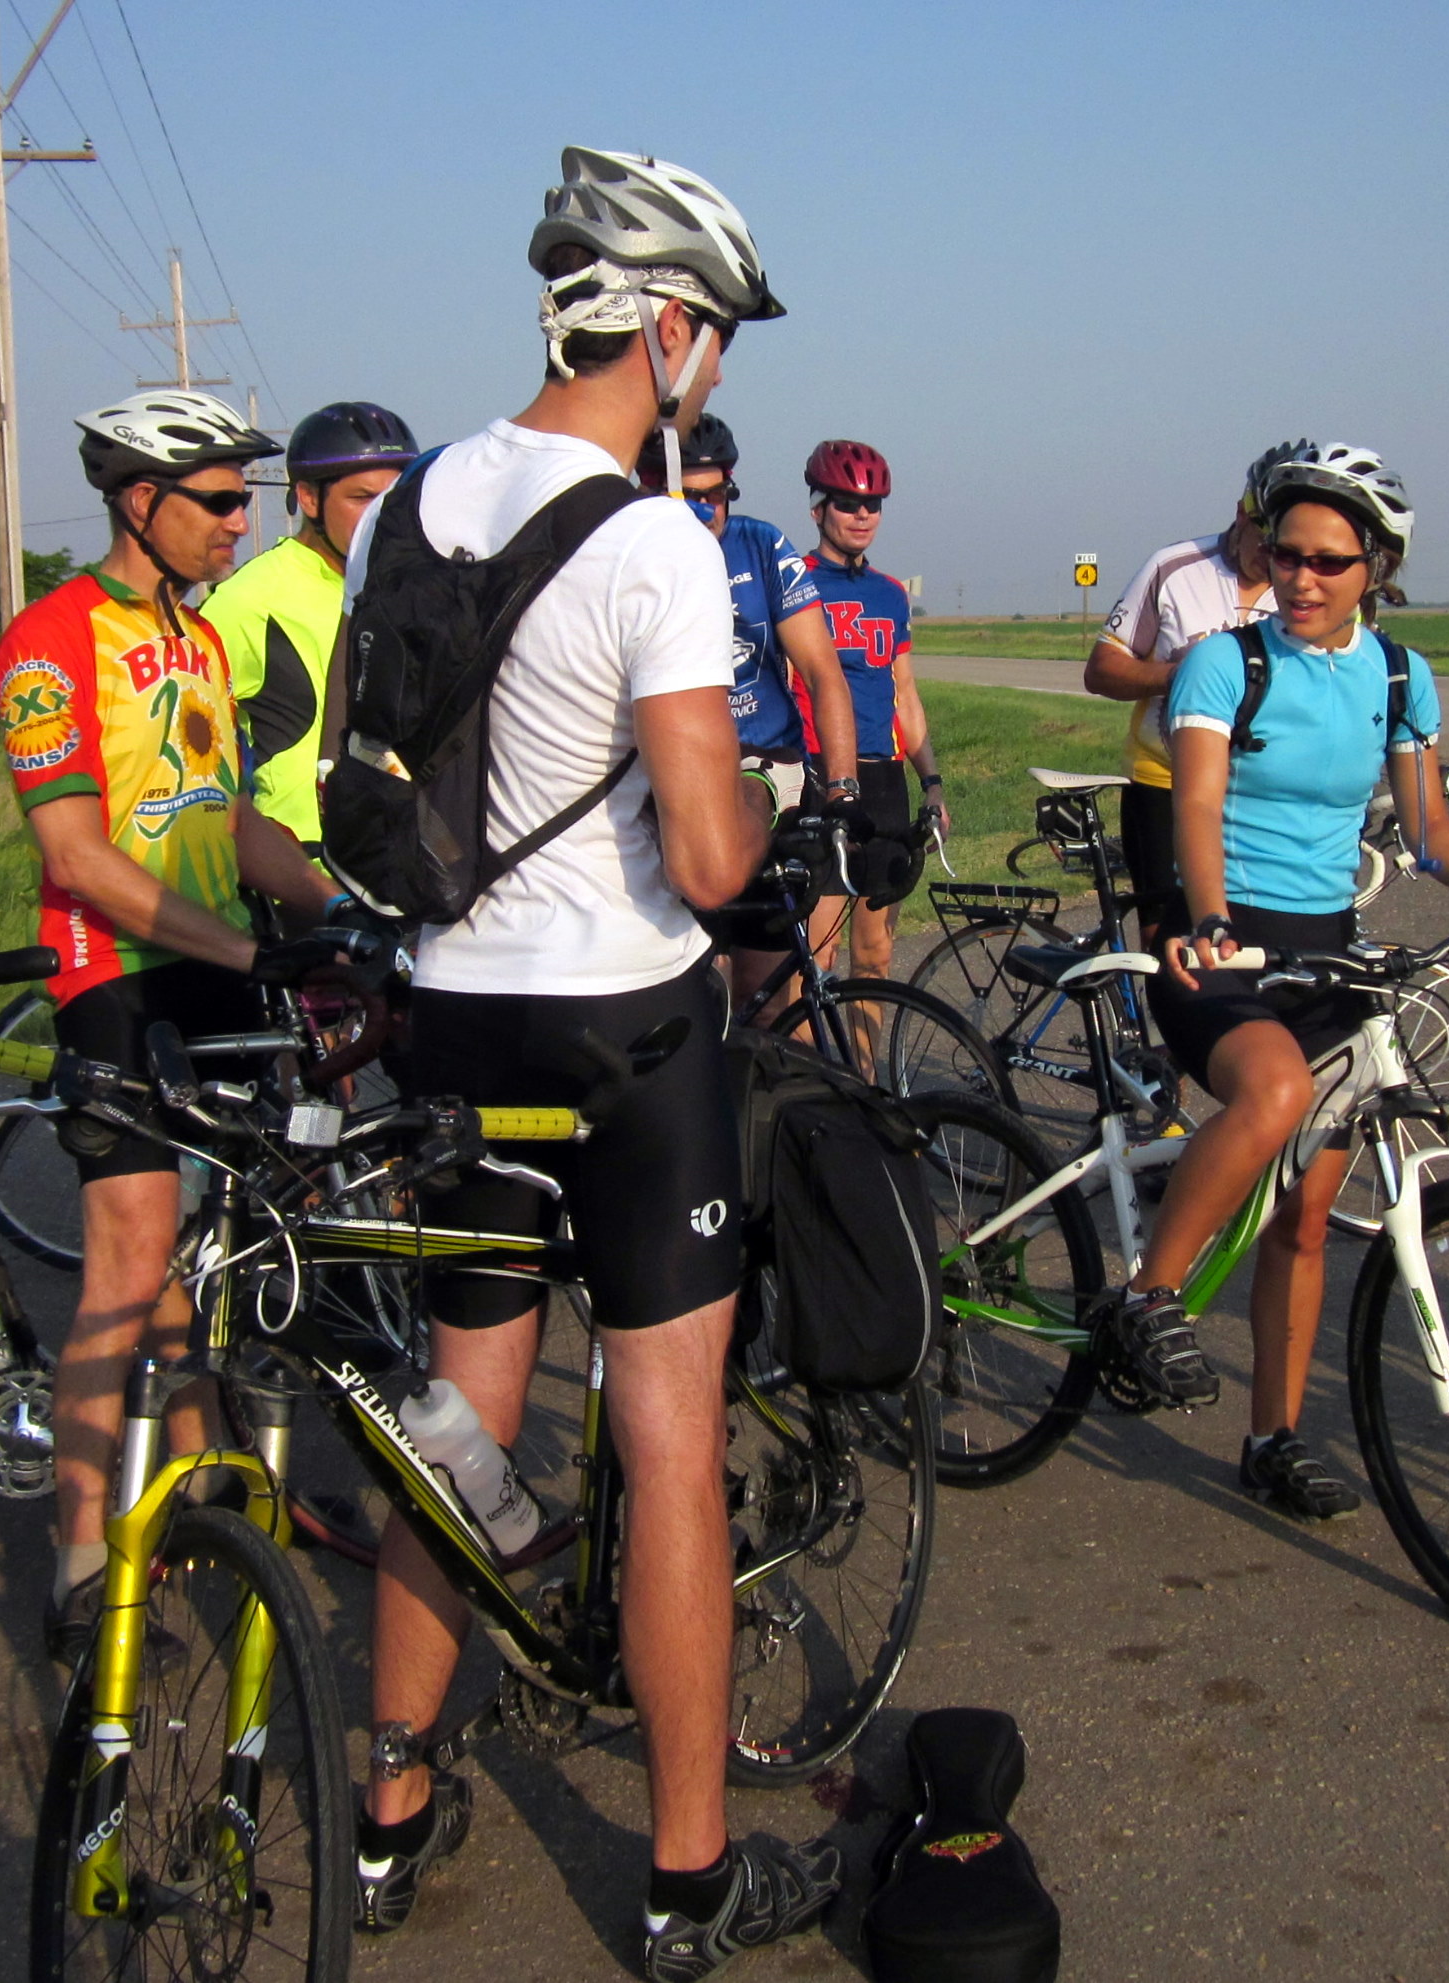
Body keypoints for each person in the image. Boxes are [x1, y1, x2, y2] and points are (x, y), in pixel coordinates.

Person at [337, 146, 836, 1976]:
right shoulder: (654, 541)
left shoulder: (413, 504)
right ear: (675, 333)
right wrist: (772, 803)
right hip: (626, 1035)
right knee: (670, 1443)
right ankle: (688, 1876)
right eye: (717, 343)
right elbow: (708, 864)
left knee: (456, 1429)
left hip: (453, 1021)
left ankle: (388, 1812)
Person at [1108, 443, 1449, 1519]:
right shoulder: (1227, 662)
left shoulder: (1398, 676)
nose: (1299, 579)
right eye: (1283, 553)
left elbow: (1431, 828)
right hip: (1219, 946)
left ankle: (1272, 1439)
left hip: (1327, 951)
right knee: (1270, 1095)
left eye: (1327, 560)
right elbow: (1199, 809)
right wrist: (1206, 917)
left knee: (1305, 1221)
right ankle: (1146, 1297)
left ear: (1378, 567)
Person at [0, 389, 347, 1662]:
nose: (238, 521)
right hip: (119, 975)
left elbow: (234, 815)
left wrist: (348, 911)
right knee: (130, 1260)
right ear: (138, 502)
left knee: (209, 1244)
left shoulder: (197, 641)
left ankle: (207, 1495)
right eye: (216, 499)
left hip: (212, 965)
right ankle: (81, 1550)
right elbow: (78, 858)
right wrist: (253, 946)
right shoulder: (49, 641)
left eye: (244, 497)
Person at [636, 414, 859, 1006]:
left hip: (766, 764)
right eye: (683, 497)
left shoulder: (761, 546)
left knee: (772, 1004)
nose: (701, 512)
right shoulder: (626, 552)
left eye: (714, 497)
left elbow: (822, 671)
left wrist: (841, 793)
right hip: (672, 777)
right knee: (689, 1004)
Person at [1082, 443, 1305, 938]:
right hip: (1165, 782)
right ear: (1241, 514)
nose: (1272, 559)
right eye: (1264, 540)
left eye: (1284, 545)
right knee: (1169, 944)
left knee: (1257, 936)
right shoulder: (1173, 568)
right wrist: (1177, 674)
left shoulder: (1305, 586)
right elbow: (1100, 670)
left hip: (1262, 791)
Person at [200, 401, 418, 848]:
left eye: (395, 497)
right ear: (308, 498)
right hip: (304, 871)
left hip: (407, 863)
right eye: (361, 498)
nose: (383, 514)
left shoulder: (415, 587)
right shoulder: (251, 600)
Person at [793, 439, 944, 980]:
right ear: (817, 508)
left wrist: (931, 780)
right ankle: (809, 1068)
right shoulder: (794, 582)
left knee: (875, 953)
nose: (862, 515)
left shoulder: (890, 594)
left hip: (884, 781)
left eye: (872, 504)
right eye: (846, 502)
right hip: (819, 774)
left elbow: (904, 692)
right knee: (816, 955)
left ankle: (861, 1069)